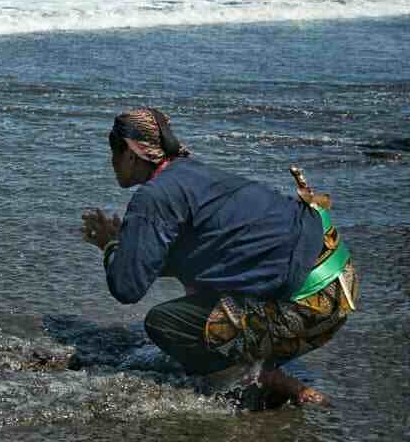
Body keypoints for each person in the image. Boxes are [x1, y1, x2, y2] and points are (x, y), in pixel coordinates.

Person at [80, 107, 359, 408]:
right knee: (205, 297)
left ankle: (261, 377)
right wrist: (132, 244)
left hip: (307, 308)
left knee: (165, 323)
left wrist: (111, 246)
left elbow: (126, 287)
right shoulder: (194, 175)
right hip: (340, 290)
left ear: (132, 155)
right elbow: (203, 254)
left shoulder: (154, 197)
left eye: (114, 153)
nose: (111, 163)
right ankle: (264, 366)